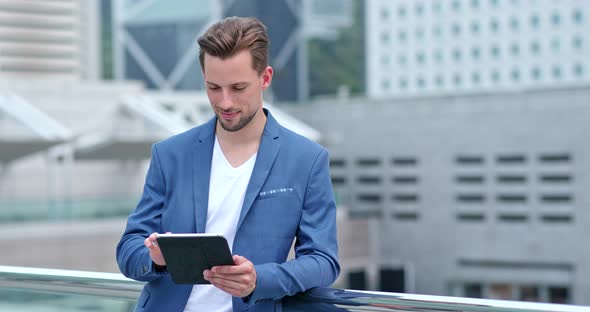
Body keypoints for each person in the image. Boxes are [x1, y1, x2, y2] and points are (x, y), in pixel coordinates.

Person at [116, 16, 340, 312]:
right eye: (213, 88)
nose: (225, 102)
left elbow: (323, 261)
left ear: (266, 77)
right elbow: (129, 249)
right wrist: (155, 259)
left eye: (237, 88)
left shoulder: (306, 159)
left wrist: (260, 278)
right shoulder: (169, 155)